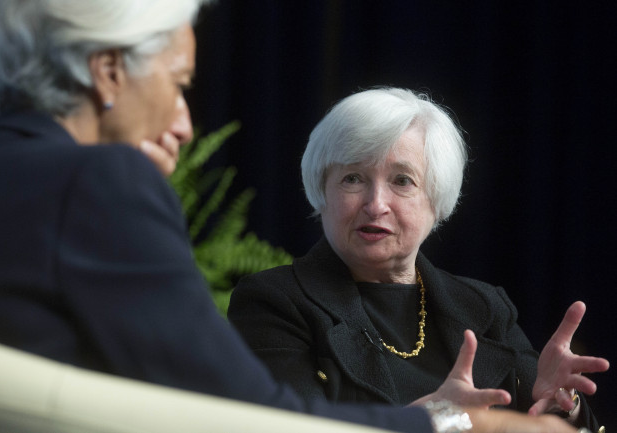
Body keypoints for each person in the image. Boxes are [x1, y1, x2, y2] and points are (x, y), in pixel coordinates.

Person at [0, 1, 585, 432]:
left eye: (402, 182)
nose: (183, 122)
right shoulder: (97, 181)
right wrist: (456, 424)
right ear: (107, 73)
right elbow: (249, 416)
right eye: (179, 83)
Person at [228, 88, 610, 430]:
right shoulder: (273, 303)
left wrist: (561, 405)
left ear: (437, 202)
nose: (376, 205)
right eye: (353, 178)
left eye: (402, 180)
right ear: (321, 190)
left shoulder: (484, 307)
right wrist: (432, 421)